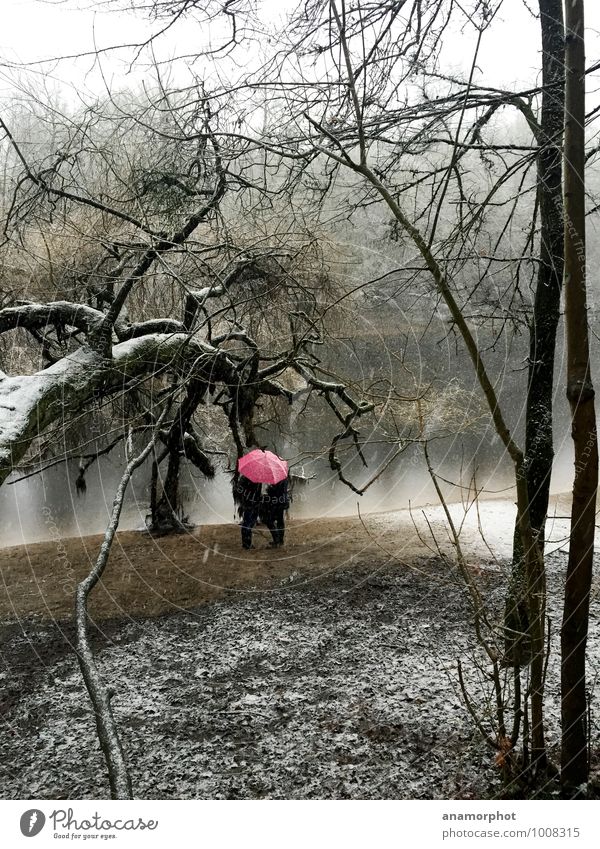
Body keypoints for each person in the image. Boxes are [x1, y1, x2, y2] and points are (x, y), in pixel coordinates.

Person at [232, 474, 262, 549]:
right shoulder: (246, 478)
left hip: (253, 503)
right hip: (249, 503)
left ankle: (247, 543)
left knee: (250, 522)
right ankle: (247, 544)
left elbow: (258, 492)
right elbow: (240, 490)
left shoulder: (256, 477)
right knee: (247, 523)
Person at [260, 477, 290, 547]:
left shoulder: (278, 478)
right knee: (280, 521)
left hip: (276, 503)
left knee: (269, 521)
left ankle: (277, 540)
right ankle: (280, 540)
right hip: (281, 502)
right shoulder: (283, 476)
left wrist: (268, 490)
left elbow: (275, 491)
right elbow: (281, 490)